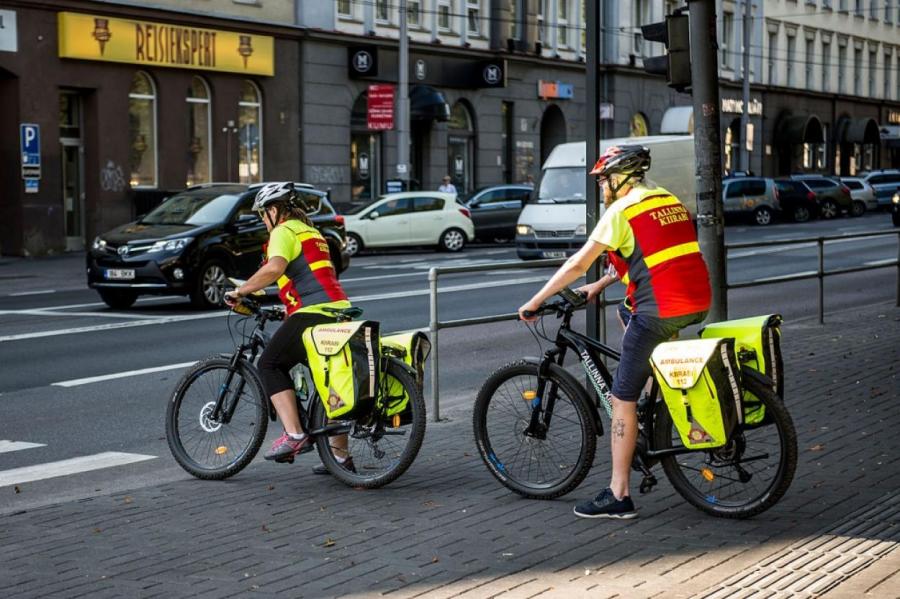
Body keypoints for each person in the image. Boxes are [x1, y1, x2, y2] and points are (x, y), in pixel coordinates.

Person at [518, 145, 711, 520]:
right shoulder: (665, 199)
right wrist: (601, 284)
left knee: (621, 397)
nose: (602, 185)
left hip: (660, 309)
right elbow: (649, 252)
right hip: (696, 299)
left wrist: (537, 300)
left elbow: (578, 263)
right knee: (628, 310)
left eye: (604, 178)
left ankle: (618, 493)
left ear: (622, 177)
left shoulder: (620, 210)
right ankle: (657, 396)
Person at [224, 182, 353, 467]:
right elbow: (311, 278)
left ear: (273, 210)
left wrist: (241, 290)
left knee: (269, 364)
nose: (263, 222)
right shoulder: (312, 232)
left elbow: (274, 268)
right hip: (339, 308)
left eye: (262, 215)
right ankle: (341, 459)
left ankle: (294, 434)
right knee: (327, 381)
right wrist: (288, 307)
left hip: (315, 313)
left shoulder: (283, 231)